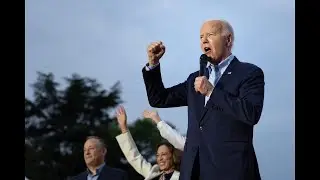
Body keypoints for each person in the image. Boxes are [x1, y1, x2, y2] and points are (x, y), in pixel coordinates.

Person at [142, 19, 265, 180]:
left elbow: (251, 113)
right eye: (201, 37)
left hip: (231, 169)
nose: (204, 40)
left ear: (228, 40)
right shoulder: (196, 77)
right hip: (193, 170)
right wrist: (153, 64)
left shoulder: (249, 73)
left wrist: (212, 92)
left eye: (210, 35)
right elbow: (159, 98)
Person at [115, 106, 181, 180]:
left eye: (164, 154)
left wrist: (157, 119)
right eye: (158, 155)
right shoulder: (153, 174)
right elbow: (135, 157)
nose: (160, 158)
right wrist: (123, 127)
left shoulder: (183, 176)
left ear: (173, 156)